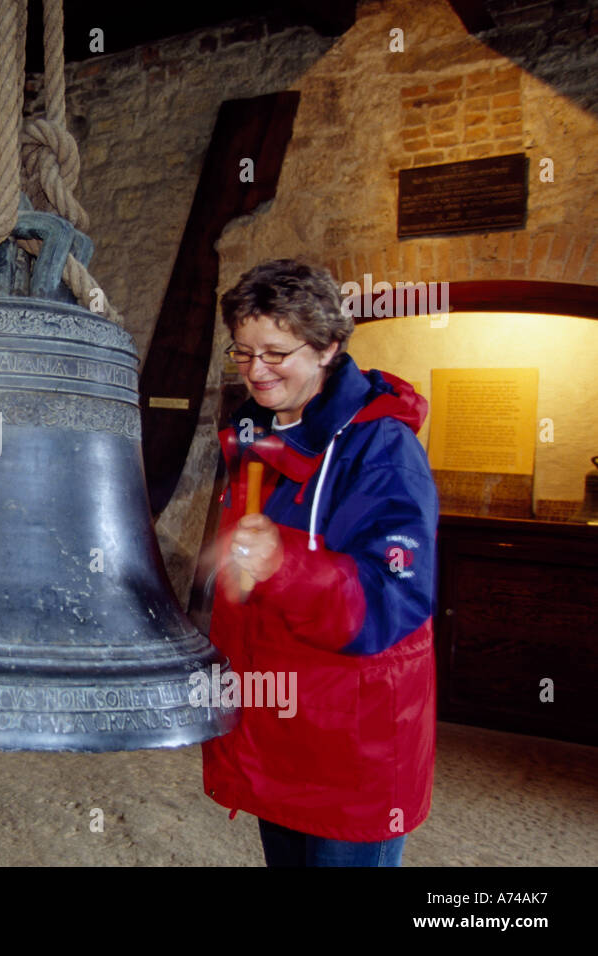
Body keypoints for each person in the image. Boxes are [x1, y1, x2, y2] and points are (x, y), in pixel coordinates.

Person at [200, 258, 439, 867]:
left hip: (351, 744)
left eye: (276, 353)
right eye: (244, 352)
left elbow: (396, 596)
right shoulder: (254, 436)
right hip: (276, 728)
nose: (257, 371)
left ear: (329, 346)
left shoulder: (383, 447)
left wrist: (285, 566)